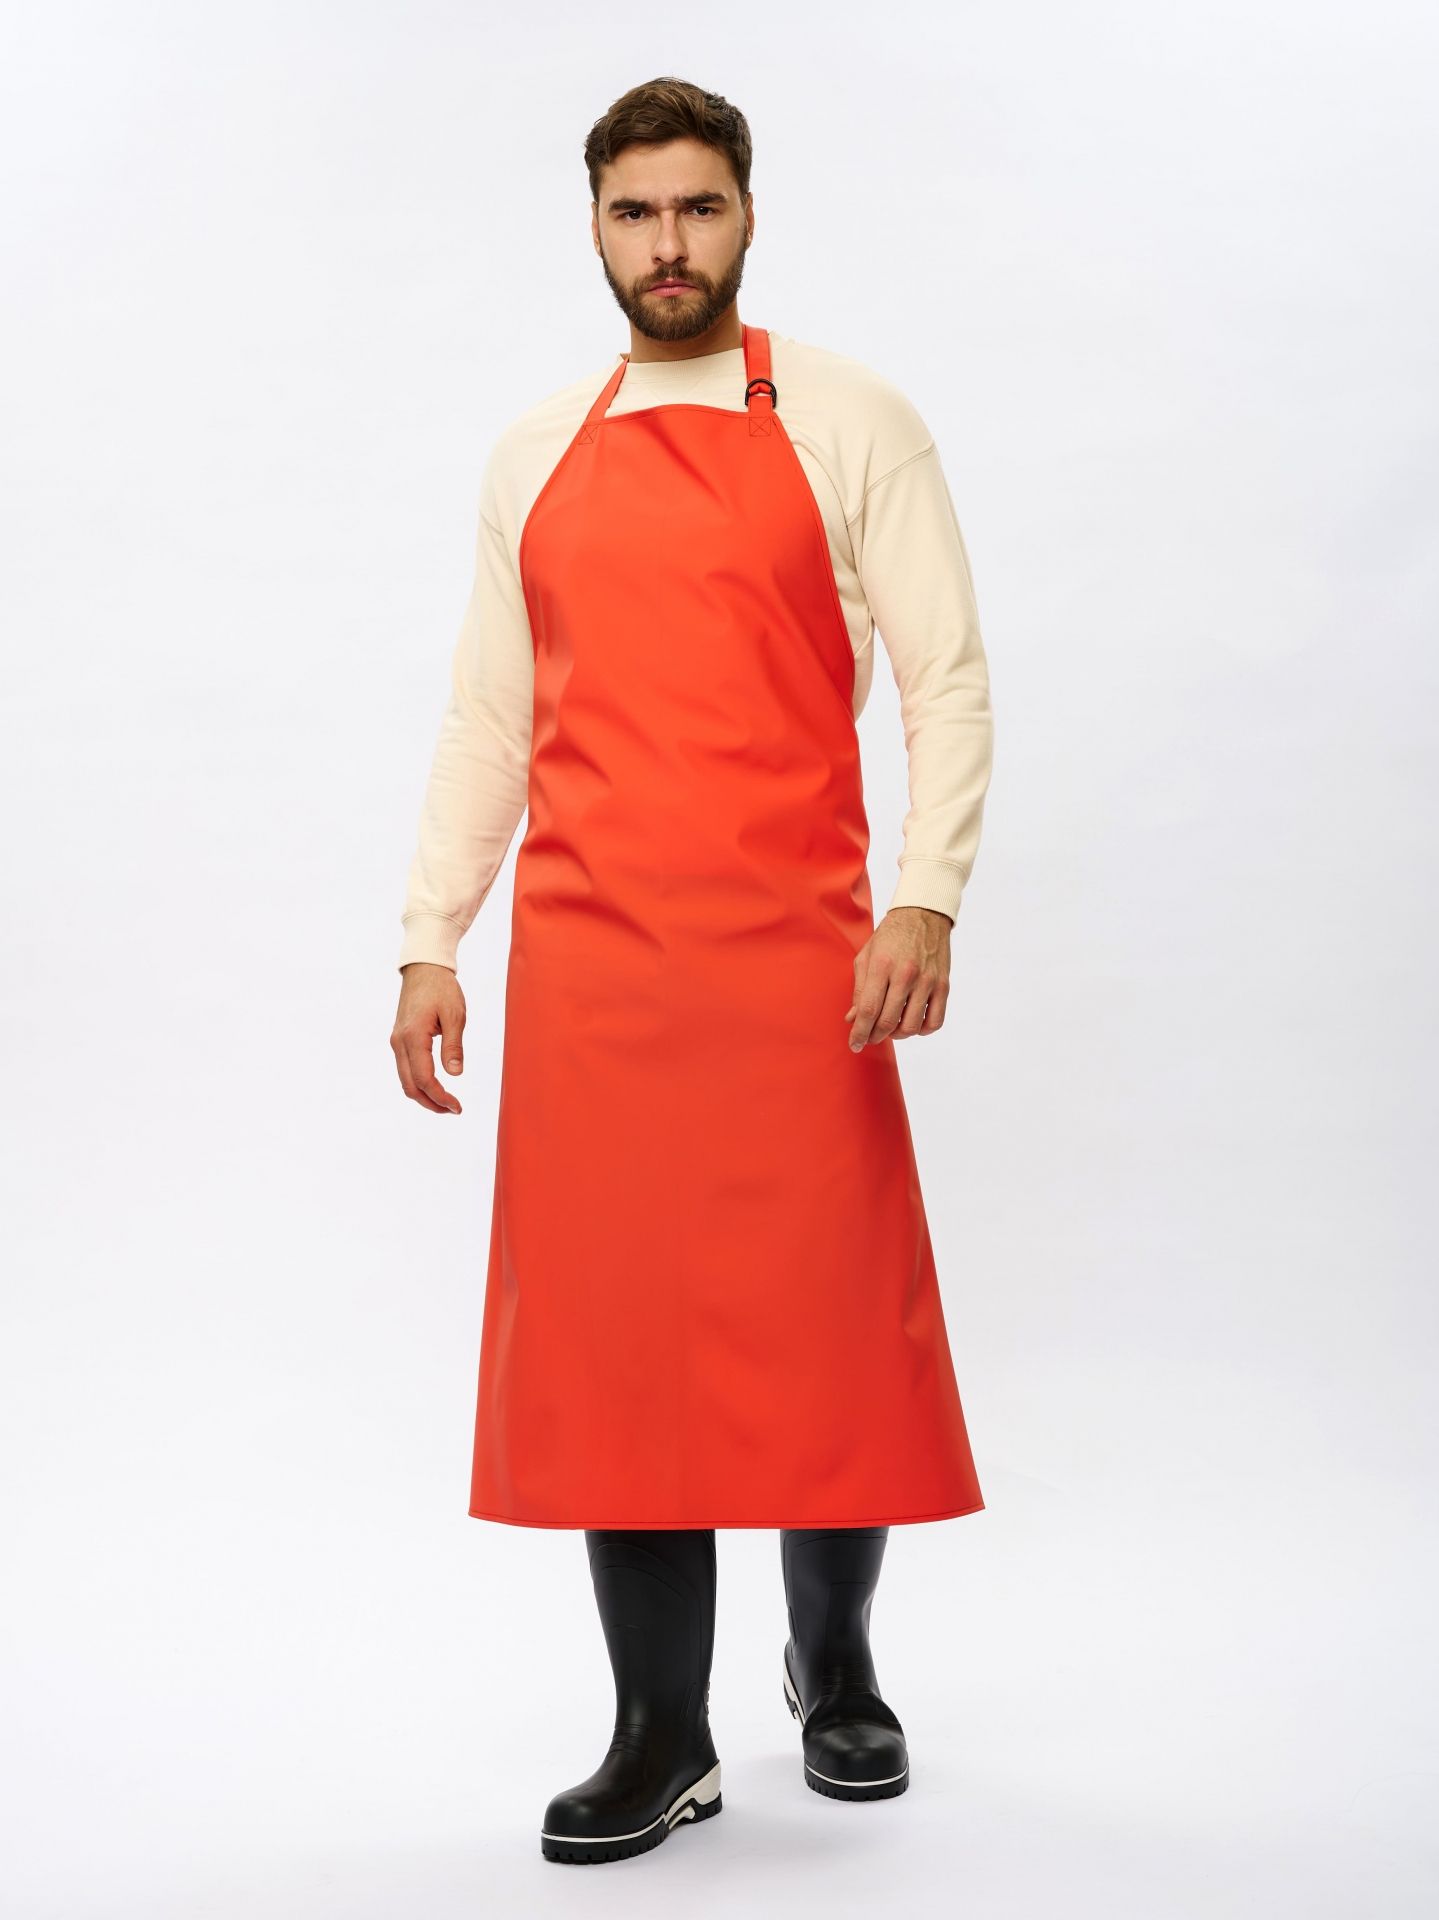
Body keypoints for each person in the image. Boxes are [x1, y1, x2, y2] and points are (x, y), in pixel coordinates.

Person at [390, 75, 995, 1866]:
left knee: (821, 1326)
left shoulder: (853, 418)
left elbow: (949, 677)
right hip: (596, 976)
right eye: (636, 212)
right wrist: (430, 937)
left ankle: (837, 1665)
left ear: (747, 215)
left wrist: (926, 899)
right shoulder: (534, 453)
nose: (669, 244)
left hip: (803, 960)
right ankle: (661, 1731)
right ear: (594, 225)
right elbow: (490, 719)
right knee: (621, 1352)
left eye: (699, 208)